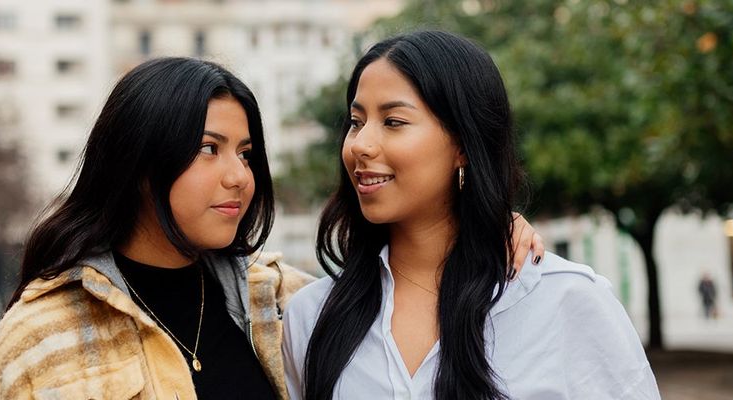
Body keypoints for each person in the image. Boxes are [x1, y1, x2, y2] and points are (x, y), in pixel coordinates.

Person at [0, 57, 545, 399]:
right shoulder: (42, 333)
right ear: (139, 162)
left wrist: (492, 225)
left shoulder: (279, 302)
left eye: (246, 154)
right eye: (208, 149)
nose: (238, 178)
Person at [282, 31, 659, 399]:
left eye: (393, 122)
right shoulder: (311, 316)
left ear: (462, 145)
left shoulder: (566, 300)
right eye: (356, 121)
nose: (360, 145)